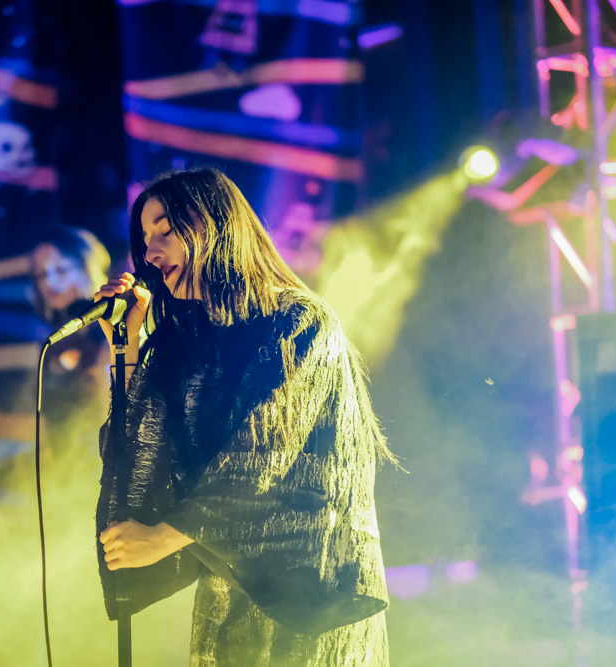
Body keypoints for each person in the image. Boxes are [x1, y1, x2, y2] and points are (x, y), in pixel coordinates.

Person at [93, 168, 395, 665]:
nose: (150, 252)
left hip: (313, 592)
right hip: (231, 590)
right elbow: (140, 449)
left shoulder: (300, 321)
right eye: (145, 239)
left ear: (214, 226)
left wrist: (164, 537)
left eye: (165, 230)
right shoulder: (190, 347)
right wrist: (126, 350)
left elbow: (262, 450)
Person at [27, 225, 112, 438]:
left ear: (86, 268)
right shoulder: (52, 341)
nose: (49, 282)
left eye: (62, 270)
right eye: (41, 275)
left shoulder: (109, 331)